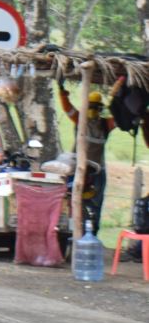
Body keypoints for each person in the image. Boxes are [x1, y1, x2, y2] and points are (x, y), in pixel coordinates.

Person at [58, 82, 116, 235]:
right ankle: (72, 231)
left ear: (100, 109)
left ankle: (93, 231)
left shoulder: (105, 124)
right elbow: (67, 108)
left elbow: (118, 118)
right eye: (91, 106)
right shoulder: (79, 119)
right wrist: (62, 93)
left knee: (96, 205)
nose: (93, 110)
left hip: (98, 171)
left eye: (96, 107)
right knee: (74, 201)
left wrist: (117, 99)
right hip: (79, 169)